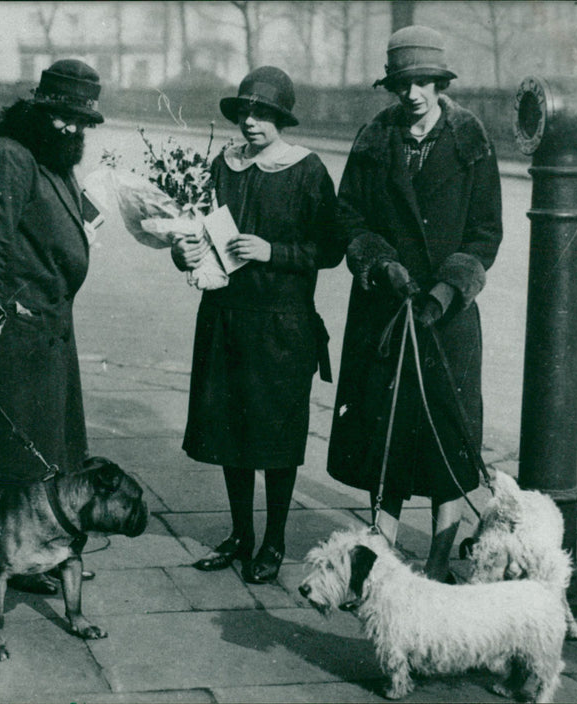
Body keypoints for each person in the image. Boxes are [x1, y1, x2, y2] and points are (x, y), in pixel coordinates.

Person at [326, 26, 503, 582]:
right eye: (403, 84)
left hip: (447, 319)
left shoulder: (471, 141)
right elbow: (347, 215)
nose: (413, 94)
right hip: (385, 310)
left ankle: (438, 560)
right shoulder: (374, 138)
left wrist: (446, 291)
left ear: (440, 83)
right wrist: (380, 263)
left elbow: (486, 231)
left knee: (446, 431)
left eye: (423, 82)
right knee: (386, 431)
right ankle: (380, 552)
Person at [172, 66, 342, 584]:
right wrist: (184, 252)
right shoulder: (222, 165)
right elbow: (196, 229)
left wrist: (273, 251)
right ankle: (241, 534)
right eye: (245, 112)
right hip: (225, 317)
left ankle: (274, 542)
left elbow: (331, 249)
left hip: (281, 325)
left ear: (281, 119)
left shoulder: (306, 170)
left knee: (275, 437)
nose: (251, 122)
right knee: (232, 433)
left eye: (263, 114)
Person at [0, 59, 105, 595]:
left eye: (81, 120)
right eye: (64, 116)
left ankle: (45, 550)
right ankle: (14, 557)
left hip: (52, 326)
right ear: (40, 109)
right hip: (18, 328)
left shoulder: (53, 154)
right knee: (18, 456)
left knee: (53, 448)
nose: (72, 128)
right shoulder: (12, 154)